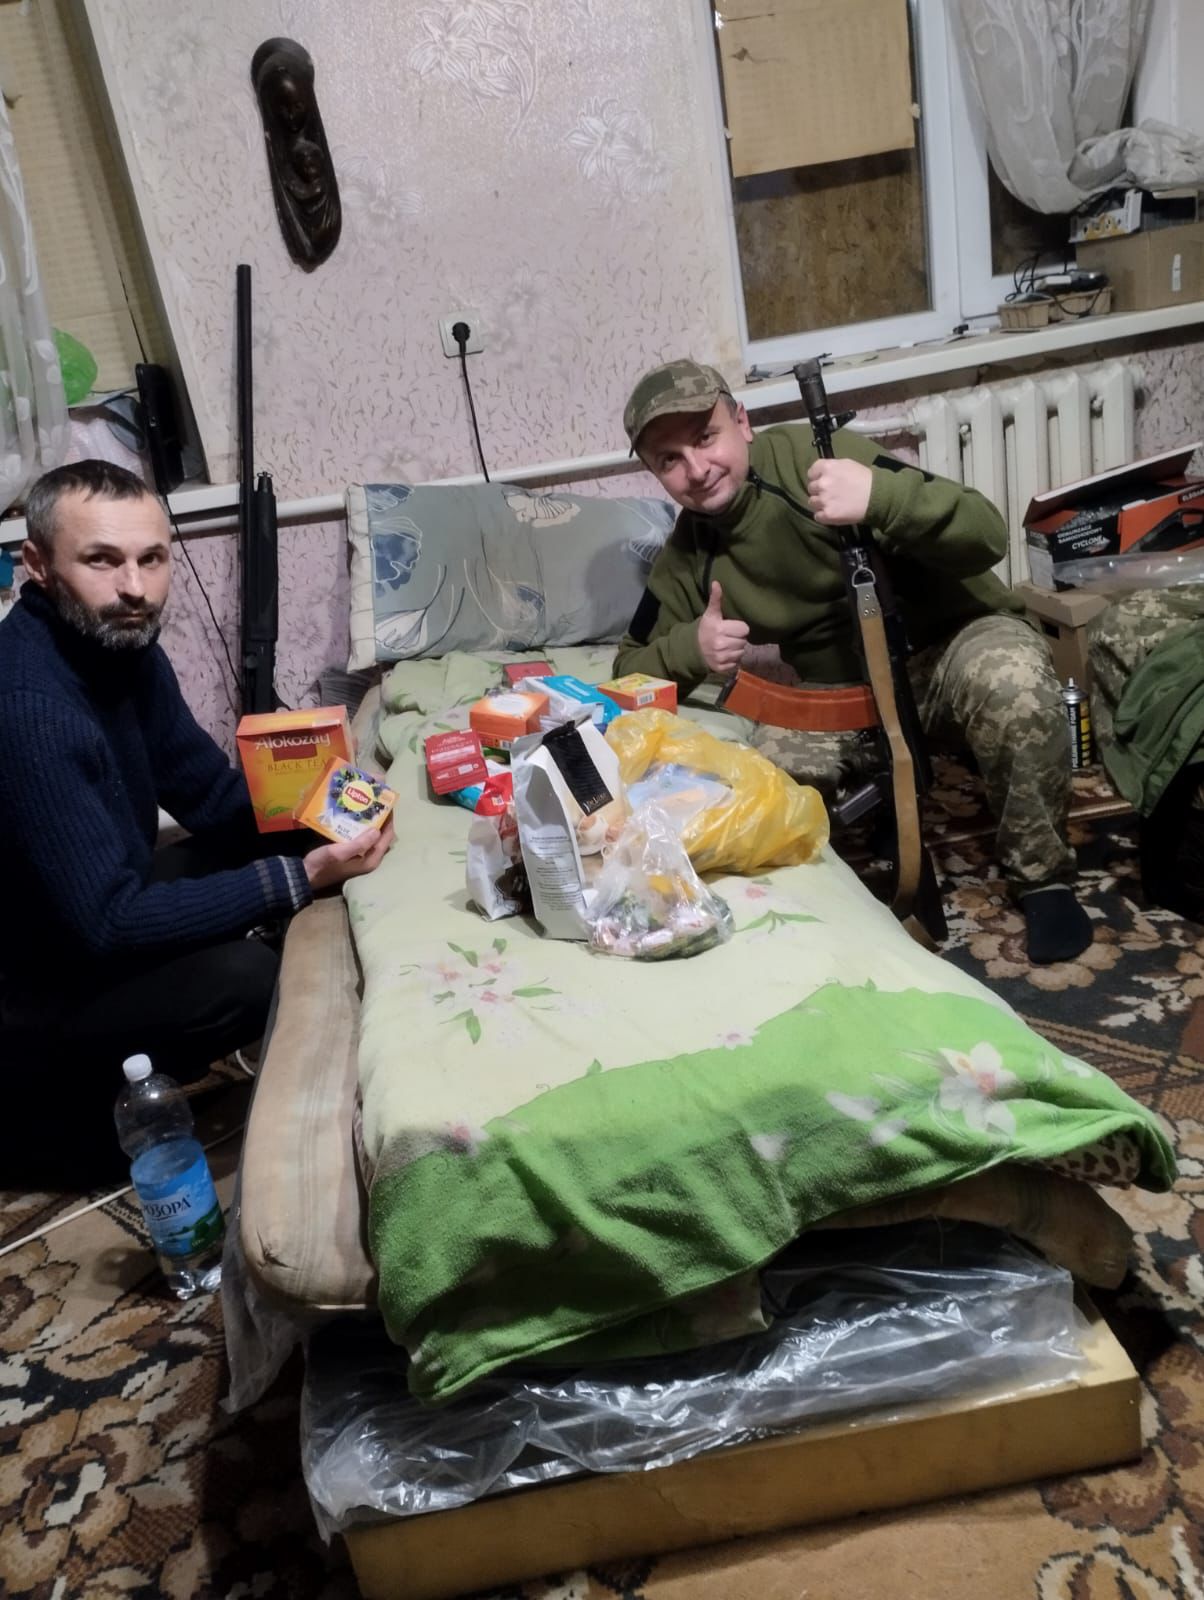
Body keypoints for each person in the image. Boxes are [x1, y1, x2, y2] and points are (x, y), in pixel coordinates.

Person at [614, 359, 1092, 967]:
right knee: (761, 791)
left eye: (706, 437)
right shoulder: (688, 553)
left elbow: (987, 532)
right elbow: (626, 670)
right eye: (669, 460)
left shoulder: (818, 456)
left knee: (1014, 683)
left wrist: (880, 497)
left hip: (951, 643)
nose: (697, 468)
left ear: (743, 423)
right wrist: (692, 648)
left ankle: (1043, 878)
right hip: (839, 691)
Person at [0, 460, 390, 1178]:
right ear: (39, 564)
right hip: (32, 991)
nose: (135, 588)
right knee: (247, 976)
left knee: (254, 854)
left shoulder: (121, 649)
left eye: (151, 559)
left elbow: (210, 799)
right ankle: (63, 1115)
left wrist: (334, 811)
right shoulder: (30, 708)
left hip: (81, 916)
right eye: (102, 560)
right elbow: (108, 923)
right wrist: (299, 876)